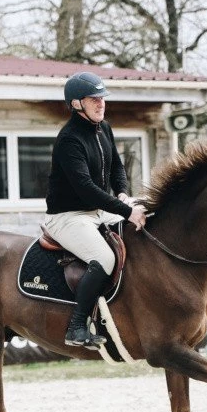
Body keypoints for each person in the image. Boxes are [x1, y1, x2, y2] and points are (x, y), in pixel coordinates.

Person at [45, 71, 148, 348]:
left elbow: (116, 167)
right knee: (104, 258)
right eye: (94, 99)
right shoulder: (69, 140)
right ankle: (77, 326)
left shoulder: (105, 128)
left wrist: (125, 195)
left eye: (102, 98)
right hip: (68, 216)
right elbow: (86, 188)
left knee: (146, 221)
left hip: (99, 210)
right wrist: (125, 212)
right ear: (76, 104)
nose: (101, 104)